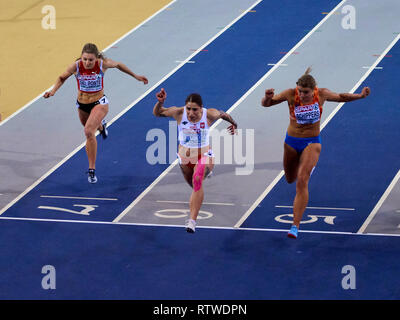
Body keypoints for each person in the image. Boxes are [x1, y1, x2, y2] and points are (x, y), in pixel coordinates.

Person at [261, 68, 370, 238]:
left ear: (314, 90)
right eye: (300, 91)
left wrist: (360, 96)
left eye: (306, 92)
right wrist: (268, 97)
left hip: (311, 142)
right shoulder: (290, 94)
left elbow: (342, 97)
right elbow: (267, 104)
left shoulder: (322, 95)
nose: (302, 95)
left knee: (302, 180)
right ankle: (304, 166)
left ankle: (295, 226)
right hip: (291, 142)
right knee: (290, 178)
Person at [43, 43, 148, 183]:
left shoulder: (102, 64)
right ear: (81, 57)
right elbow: (62, 78)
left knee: (88, 132)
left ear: (96, 58)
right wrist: (53, 91)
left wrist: (136, 76)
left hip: (99, 103)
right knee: (90, 127)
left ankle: (91, 170)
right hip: (82, 105)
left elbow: (119, 65)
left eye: (90, 60)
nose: (87, 62)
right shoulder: (76, 66)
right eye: (85, 59)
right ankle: (101, 126)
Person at [153, 88, 237, 233]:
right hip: (184, 158)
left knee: (197, 179)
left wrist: (234, 124)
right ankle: (200, 191)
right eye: (189, 109)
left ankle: (192, 221)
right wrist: (160, 103)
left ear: (201, 108)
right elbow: (158, 113)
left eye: (195, 110)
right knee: (194, 185)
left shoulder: (209, 114)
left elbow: (224, 114)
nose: (191, 113)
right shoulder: (179, 113)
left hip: (204, 155)